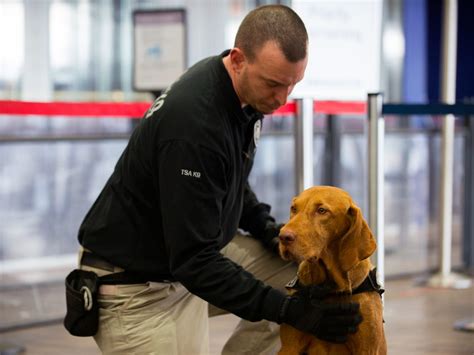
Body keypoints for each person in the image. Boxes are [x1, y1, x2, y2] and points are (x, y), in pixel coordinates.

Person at [76, 4, 362, 354]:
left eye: (292, 85)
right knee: (290, 301)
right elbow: (194, 261)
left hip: (183, 262)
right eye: (273, 84)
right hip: (137, 288)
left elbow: (230, 180)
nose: (281, 99)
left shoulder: (241, 92)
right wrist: (291, 312)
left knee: (298, 268)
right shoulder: (195, 125)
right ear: (239, 59)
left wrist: (268, 230)